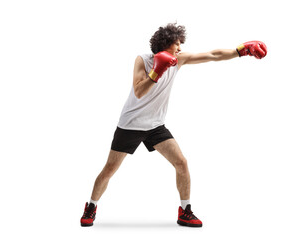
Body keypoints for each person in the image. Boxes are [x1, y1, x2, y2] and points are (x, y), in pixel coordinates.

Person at [80, 23, 267, 228]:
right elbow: (139, 91)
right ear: (166, 42)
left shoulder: (179, 60)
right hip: (131, 124)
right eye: (177, 43)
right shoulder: (143, 60)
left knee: (181, 163)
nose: (179, 47)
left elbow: (212, 55)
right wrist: (156, 71)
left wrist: (239, 51)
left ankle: (185, 211)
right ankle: (91, 206)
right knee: (109, 169)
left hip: (155, 125)